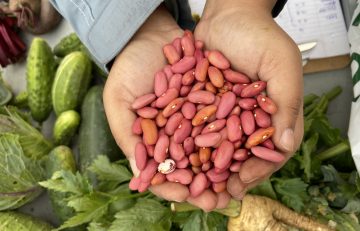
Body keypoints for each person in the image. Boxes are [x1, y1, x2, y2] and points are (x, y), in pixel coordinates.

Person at [50, 0, 303, 211]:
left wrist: (240, 7)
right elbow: (188, 120)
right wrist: (136, 27)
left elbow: (198, 119)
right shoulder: (183, 115)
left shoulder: (209, 110)